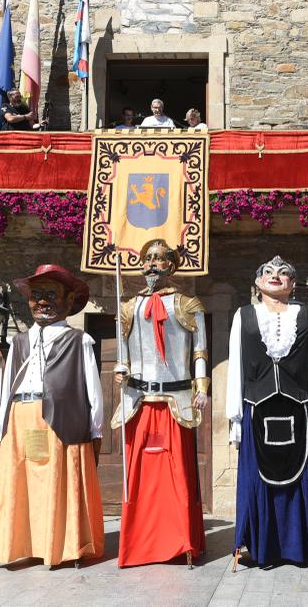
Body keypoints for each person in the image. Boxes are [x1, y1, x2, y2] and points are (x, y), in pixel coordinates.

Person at [0, 264, 105, 569]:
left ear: (67, 300)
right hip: (21, 417)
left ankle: (64, 546)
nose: (41, 301)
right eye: (36, 294)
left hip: (62, 420)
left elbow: (93, 389)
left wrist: (95, 430)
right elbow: (7, 387)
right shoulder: (18, 343)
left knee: (59, 484)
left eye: (50, 294)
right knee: (25, 485)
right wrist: (2, 428)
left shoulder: (80, 341)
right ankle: (26, 544)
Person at [228, 255, 308, 572]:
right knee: (259, 479)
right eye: (268, 272)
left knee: (302, 477)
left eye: (284, 273)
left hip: (300, 408)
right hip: (256, 410)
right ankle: (262, 549)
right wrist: (235, 417)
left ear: (293, 284)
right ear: (257, 283)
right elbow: (236, 366)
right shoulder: (243, 315)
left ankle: (305, 548)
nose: (276, 275)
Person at [113, 239, 208, 568]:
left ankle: (180, 539)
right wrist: (120, 369)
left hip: (176, 399)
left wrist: (203, 386)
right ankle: (140, 544)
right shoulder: (127, 307)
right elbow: (124, 351)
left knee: (177, 475)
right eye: (147, 258)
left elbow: (199, 351)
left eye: (159, 259)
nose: (152, 264)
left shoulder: (188, 303)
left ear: (172, 265)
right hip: (139, 399)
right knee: (140, 477)